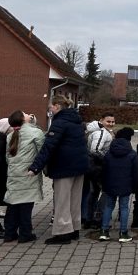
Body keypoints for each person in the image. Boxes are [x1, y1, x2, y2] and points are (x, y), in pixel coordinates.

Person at [28, 95, 89, 245]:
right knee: (75, 199)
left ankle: (63, 232)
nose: (49, 109)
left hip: (64, 166)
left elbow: (48, 146)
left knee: (62, 200)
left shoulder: (59, 123)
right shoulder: (77, 121)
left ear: (57, 106)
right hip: (79, 166)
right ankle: (74, 228)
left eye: (50, 106)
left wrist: (35, 167)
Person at [3, 111, 45, 243]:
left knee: (13, 204)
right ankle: (25, 233)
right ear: (22, 119)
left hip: (14, 174)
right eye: (25, 113)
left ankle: (9, 233)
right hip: (28, 174)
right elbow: (42, 153)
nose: (28, 114)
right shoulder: (36, 133)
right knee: (26, 205)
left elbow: (7, 157)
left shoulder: (10, 136)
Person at [99, 127, 138, 242]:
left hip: (110, 184)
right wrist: (134, 186)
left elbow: (104, 170)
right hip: (126, 184)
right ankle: (123, 233)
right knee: (124, 207)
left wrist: (103, 184)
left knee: (108, 206)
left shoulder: (108, 153)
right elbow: (136, 172)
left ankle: (104, 231)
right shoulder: (132, 154)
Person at [82, 112, 115, 228]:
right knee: (106, 192)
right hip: (98, 168)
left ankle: (89, 218)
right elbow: (94, 150)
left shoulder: (103, 132)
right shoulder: (101, 133)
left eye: (113, 121)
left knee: (94, 193)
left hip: (94, 167)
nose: (111, 124)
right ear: (101, 121)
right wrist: (107, 159)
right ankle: (98, 218)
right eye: (108, 121)